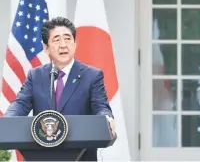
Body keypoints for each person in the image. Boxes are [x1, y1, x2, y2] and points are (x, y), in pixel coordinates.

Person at [4, 17, 116, 161]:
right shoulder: (36, 76)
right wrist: (8, 120)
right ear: (46, 47)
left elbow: (101, 106)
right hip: (41, 155)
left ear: (75, 44)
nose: (63, 45)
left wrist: (107, 118)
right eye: (56, 40)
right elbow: (20, 104)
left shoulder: (92, 76)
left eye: (68, 39)